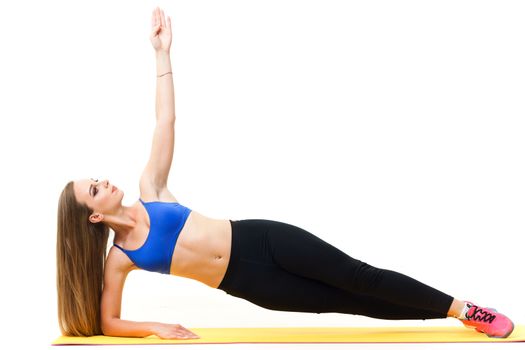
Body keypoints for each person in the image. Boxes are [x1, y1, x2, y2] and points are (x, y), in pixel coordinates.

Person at [56, 7, 514, 340]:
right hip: (250, 284)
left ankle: (465, 308)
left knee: (359, 276)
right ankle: (444, 315)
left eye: (98, 178)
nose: (105, 183)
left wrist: (161, 56)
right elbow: (109, 321)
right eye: (94, 189)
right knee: (351, 303)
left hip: (262, 239)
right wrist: (151, 327)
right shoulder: (120, 259)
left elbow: (165, 122)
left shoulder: (150, 190)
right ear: (92, 216)